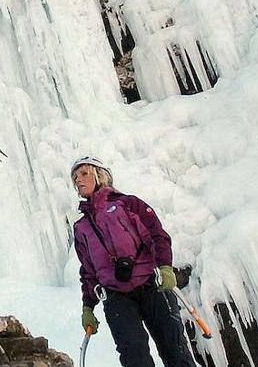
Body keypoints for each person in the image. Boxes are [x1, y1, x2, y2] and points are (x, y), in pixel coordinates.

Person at [72, 156, 194, 367]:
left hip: (151, 284)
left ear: (100, 175)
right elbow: (89, 271)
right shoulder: (81, 227)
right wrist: (88, 307)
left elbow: (157, 236)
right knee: (133, 357)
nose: (78, 180)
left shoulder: (128, 204)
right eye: (75, 178)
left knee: (175, 350)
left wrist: (165, 267)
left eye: (84, 173)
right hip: (115, 295)